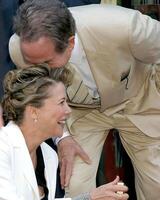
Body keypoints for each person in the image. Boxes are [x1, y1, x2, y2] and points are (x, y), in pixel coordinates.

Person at [8, 0, 160, 199]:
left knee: (156, 184)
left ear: (70, 43)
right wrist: (62, 137)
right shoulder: (21, 48)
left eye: (46, 62)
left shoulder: (127, 27)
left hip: (138, 102)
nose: (39, 68)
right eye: (32, 62)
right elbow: (39, 99)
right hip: (79, 113)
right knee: (74, 183)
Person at [0, 65, 128, 200]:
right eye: (61, 103)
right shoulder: (3, 148)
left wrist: (92, 197)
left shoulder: (49, 155)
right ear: (34, 112)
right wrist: (88, 198)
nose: (68, 110)